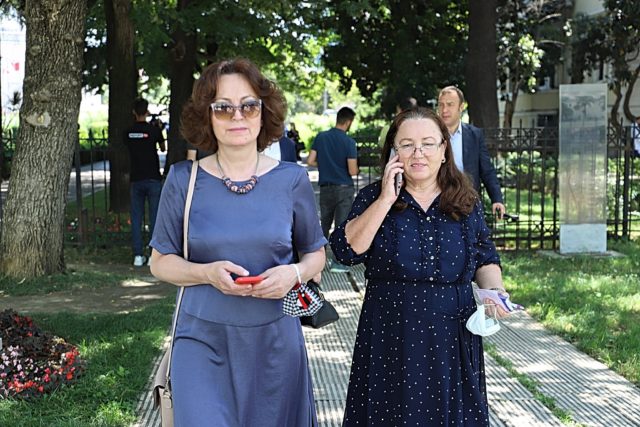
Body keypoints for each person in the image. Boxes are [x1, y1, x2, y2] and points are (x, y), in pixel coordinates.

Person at [148, 58, 326, 426]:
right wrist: (206, 273)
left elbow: (316, 254)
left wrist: (293, 273)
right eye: (223, 108)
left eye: (249, 105)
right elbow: (159, 262)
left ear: (264, 112)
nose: (237, 116)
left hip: (275, 341)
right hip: (201, 339)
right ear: (207, 116)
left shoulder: (292, 180)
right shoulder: (183, 179)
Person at [330, 107, 511, 426]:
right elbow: (346, 251)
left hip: (452, 334)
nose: (418, 153)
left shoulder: (466, 201)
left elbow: (485, 257)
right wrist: (386, 199)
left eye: (428, 143)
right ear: (393, 152)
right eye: (407, 144)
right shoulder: (373, 197)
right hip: (390, 333)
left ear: (444, 150)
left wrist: (495, 292)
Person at [437, 86, 506, 219]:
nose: (444, 110)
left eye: (450, 105)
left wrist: (497, 199)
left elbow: (487, 170)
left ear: (461, 107)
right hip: (438, 203)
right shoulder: (430, 136)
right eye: (441, 105)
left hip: (467, 203)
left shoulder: (475, 135)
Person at [307, 106, 359, 273]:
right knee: (341, 226)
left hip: (326, 188)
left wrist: (325, 165)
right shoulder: (349, 142)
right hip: (344, 188)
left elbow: (310, 160)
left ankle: (317, 262)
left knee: (324, 225)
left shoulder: (321, 137)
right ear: (348, 122)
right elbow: (352, 170)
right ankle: (338, 262)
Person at [125, 98, 166, 267]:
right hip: (153, 177)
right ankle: (152, 255)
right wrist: (159, 130)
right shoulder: (153, 130)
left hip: (136, 178)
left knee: (136, 218)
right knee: (154, 217)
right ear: (147, 111)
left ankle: (137, 255)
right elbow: (163, 148)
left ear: (133, 112)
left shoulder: (128, 132)